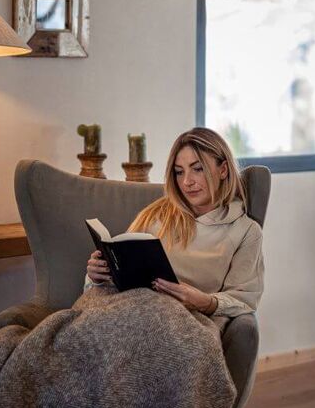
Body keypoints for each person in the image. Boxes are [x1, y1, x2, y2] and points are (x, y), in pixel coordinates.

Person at [85, 127, 264, 320]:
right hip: (130, 310)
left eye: (198, 169)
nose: (187, 181)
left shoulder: (246, 231)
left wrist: (205, 302)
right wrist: (96, 277)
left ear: (223, 170)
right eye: (179, 172)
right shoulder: (155, 213)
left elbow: (244, 300)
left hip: (184, 321)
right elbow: (116, 280)